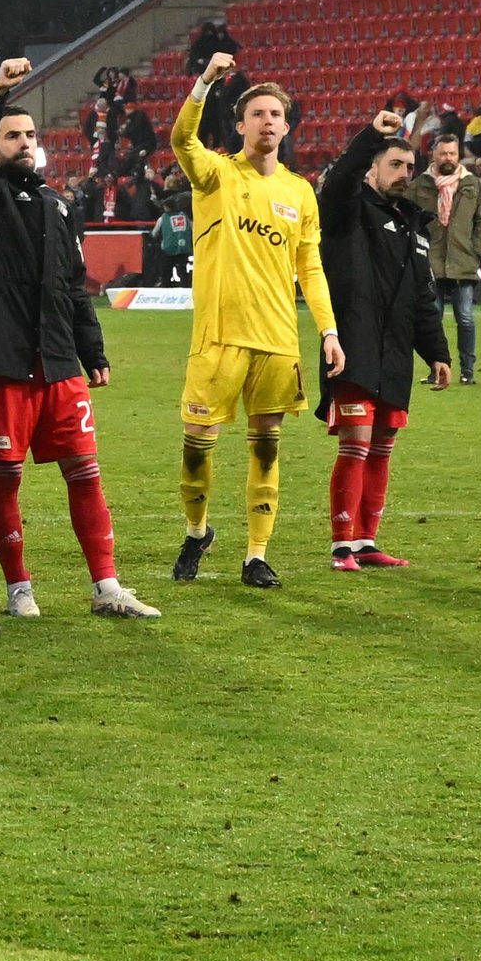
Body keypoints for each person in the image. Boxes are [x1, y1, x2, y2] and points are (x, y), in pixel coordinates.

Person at [0, 60, 157, 619]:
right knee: (7, 478)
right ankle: (19, 588)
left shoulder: (58, 205)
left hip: (60, 363)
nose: (24, 143)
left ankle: (107, 587)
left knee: (86, 473)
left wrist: (93, 350)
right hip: (4, 363)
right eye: (11, 135)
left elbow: (73, 285)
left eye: (30, 135)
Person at [165, 53, 342, 591]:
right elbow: (181, 140)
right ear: (240, 125)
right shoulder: (217, 175)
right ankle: (197, 532)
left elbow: (310, 267)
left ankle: (256, 556)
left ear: (286, 128)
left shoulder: (300, 192)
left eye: (276, 115)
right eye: (258, 114)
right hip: (219, 337)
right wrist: (204, 82)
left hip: (277, 340)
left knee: (266, 446)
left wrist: (328, 330)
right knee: (198, 443)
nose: (268, 121)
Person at [313, 114, 455, 573]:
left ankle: (366, 540)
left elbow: (422, 296)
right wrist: (372, 136)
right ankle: (341, 547)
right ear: (371, 168)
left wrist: (437, 352)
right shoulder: (348, 211)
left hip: (394, 352)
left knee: (382, 447)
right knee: (355, 444)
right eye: (395, 164)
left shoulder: (414, 225)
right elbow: (340, 180)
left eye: (410, 168)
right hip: (352, 347)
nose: (404, 174)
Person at [429, 121, 481, 381]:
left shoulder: (473, 184)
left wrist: (475, 251)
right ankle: (436, 369)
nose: (448, 158)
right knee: (432, 320)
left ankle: (467, 371)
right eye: (443, 153)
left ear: (459, 155)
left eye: (452, 153)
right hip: (432, 262)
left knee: (465, 318)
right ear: (434, 155)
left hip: (463, 261)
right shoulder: (422, 184)